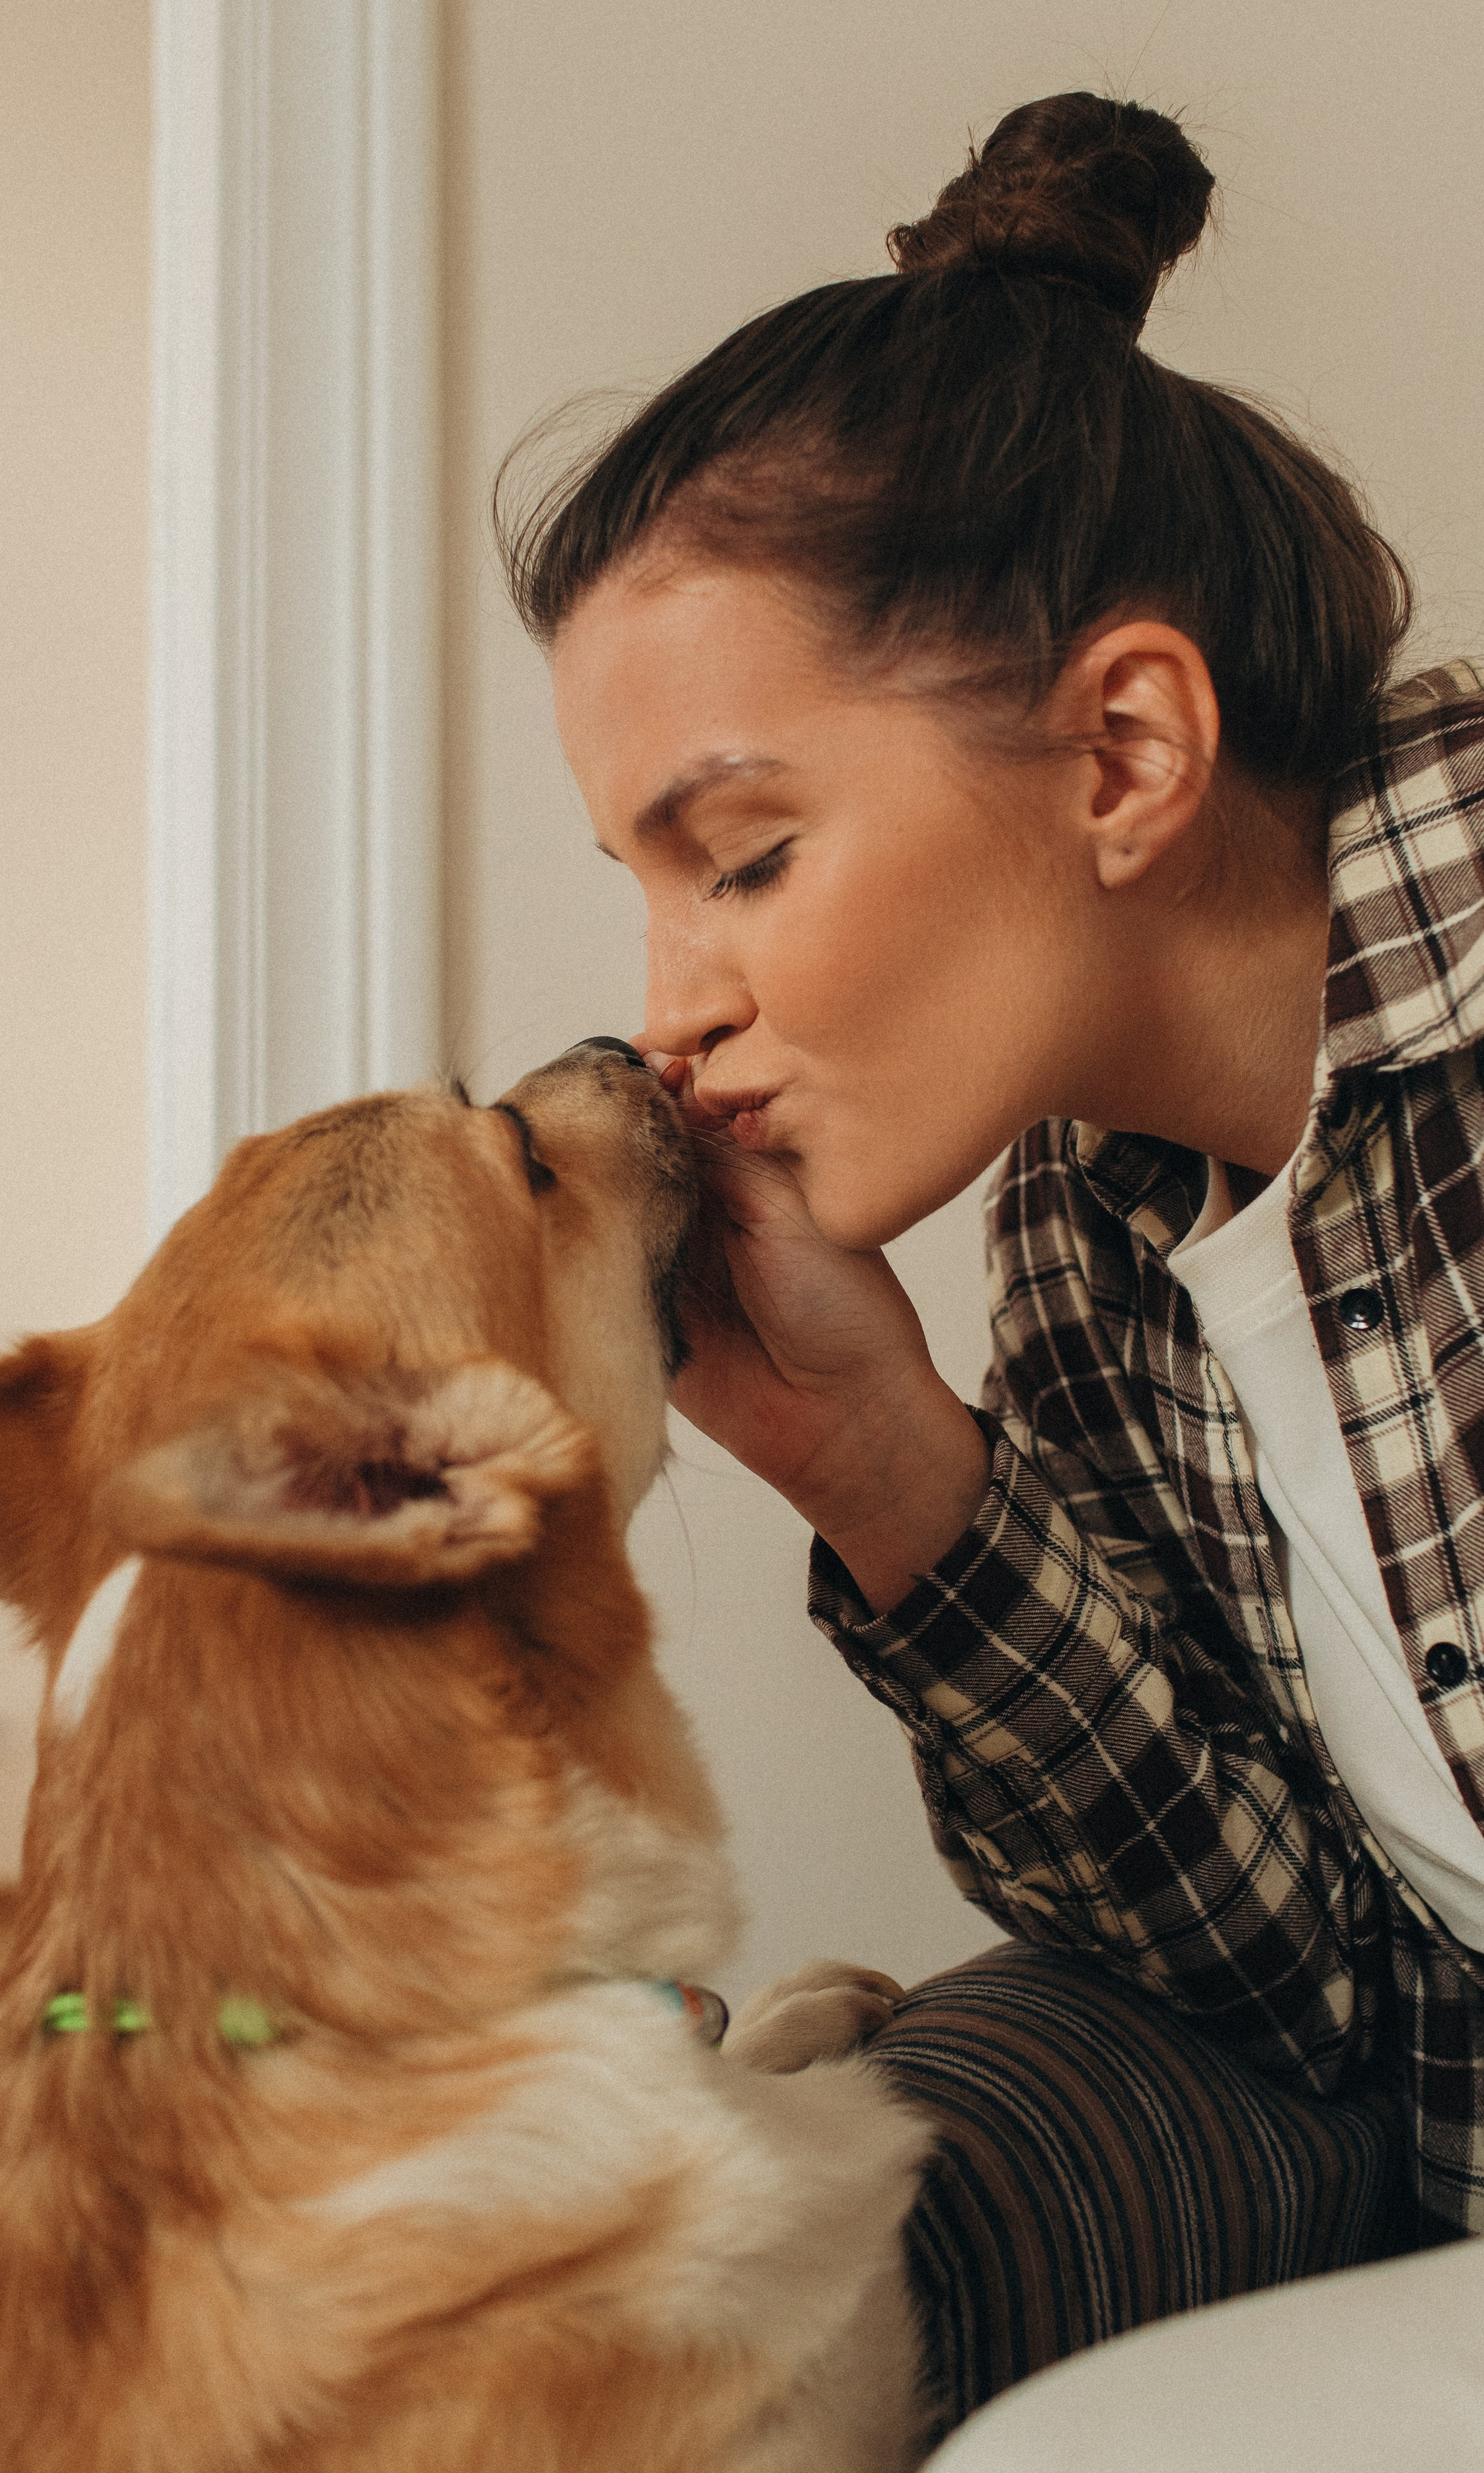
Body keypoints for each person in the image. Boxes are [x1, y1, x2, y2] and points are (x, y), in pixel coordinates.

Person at [498, 89, 1484, 2443]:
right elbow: (1300, 1990)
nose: (674, 1004)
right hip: (1416, 2153)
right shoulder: (1083, 1218)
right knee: (739, 2263)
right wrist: (894, 1473)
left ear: (1126, 746)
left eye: (739, 854)